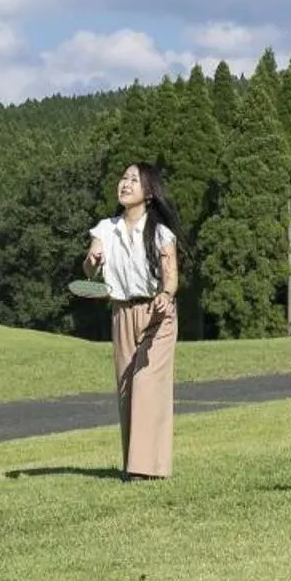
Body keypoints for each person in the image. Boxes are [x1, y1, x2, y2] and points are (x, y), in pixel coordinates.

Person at [83, 161, 183, 481]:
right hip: (122, 312)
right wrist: (92, 260)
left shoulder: (161, 233)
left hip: (157, 313)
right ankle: (136, 466)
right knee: (127, 390)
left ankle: (147, 468)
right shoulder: (105, 228)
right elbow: (90, 267)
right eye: (123, 178)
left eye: (133, 180)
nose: (125, 184)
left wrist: (165, 296)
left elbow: (171, 277)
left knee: (146, 384)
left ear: (149, 192)